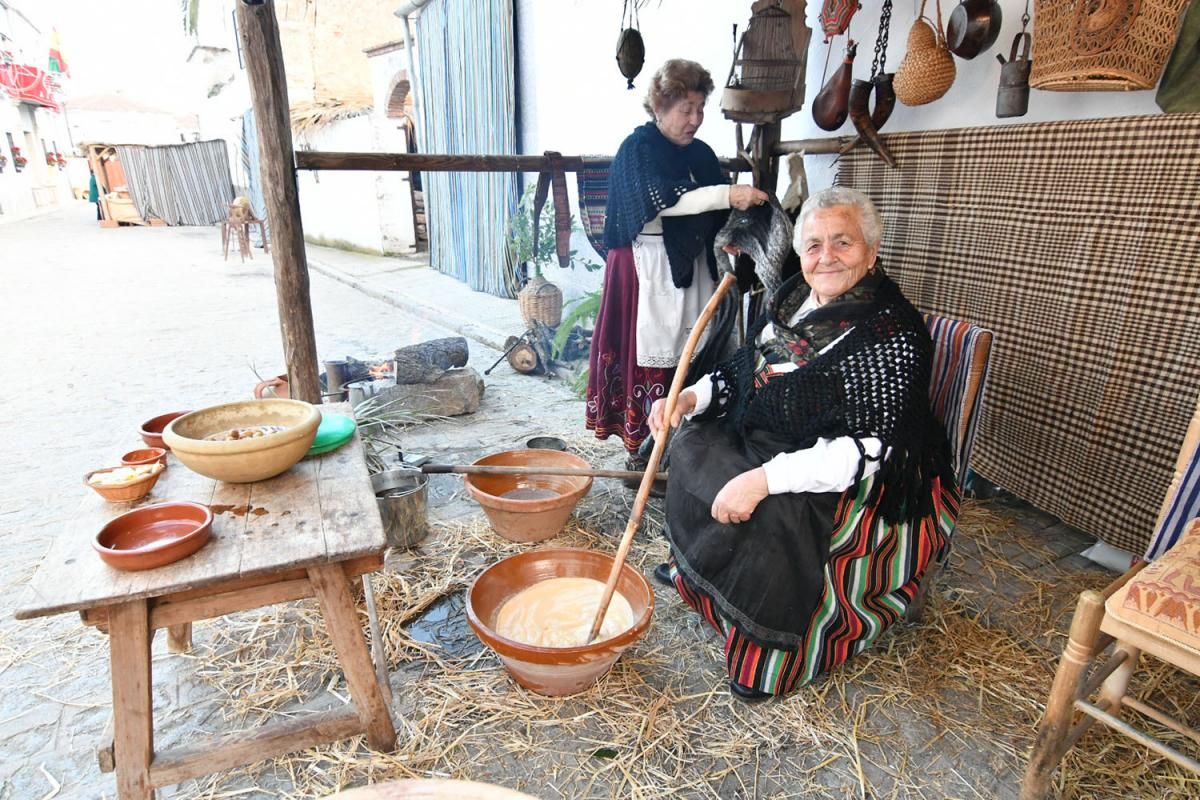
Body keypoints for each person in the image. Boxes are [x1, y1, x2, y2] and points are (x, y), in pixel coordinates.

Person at [647, 187, 960, 701]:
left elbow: (865, 449)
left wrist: (762, 480)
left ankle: (765, 653)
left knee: (772, 514)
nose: (826, 257)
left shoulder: (893, 332)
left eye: (843, 242)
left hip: (857, 475)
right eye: (813, 245)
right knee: (694, 445)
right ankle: (698, 579)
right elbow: (747, 369)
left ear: (872, 251)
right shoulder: (791, 297)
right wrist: (691, 399)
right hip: (780, 434)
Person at [586, 58, 769, 473]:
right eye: (686, 109)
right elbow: (662, 205)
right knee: (651, 354)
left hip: (692, 268)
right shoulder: (639, 149)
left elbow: (710, 216)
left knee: (693, 351)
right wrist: (727, 195)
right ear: (659, 106)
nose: (695, 119)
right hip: (644, 268)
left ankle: (683, 445)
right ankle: (641, 451)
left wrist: (731, 240)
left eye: (700, 109)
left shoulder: (701, 155)